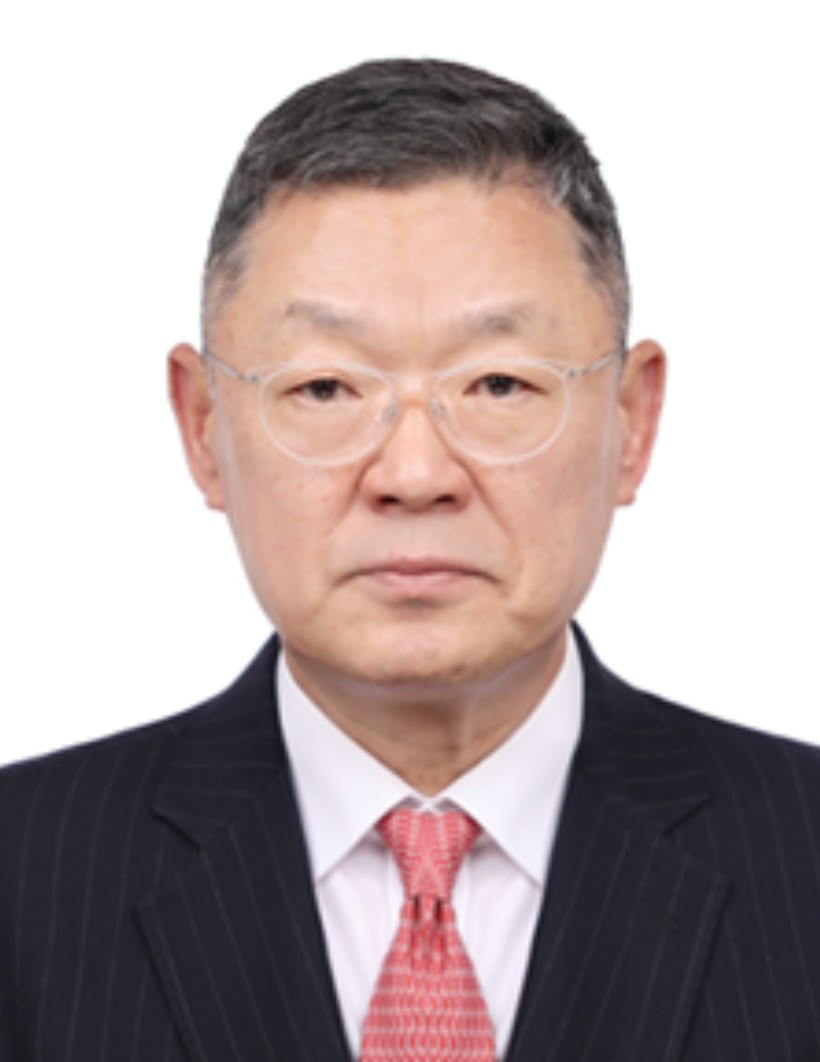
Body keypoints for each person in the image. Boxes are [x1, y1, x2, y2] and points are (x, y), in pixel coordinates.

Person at [1, 57, 819, 1062]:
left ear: (632, 422)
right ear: (204, 426)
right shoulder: (23, 876)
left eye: (500, 384)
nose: (416, 474)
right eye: (325, 389)